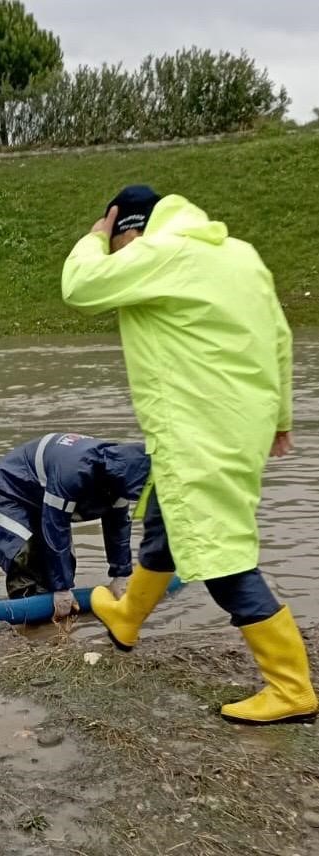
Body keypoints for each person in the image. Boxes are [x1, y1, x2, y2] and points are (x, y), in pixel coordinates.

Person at [61, 184, 317, 725]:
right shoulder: (239, 254)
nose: (119, 257)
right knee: (168, 520)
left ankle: (290, 687)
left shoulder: (160, 251)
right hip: (241, 422)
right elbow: (279, 335)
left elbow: (79, 286)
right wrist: (282, 420)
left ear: (132, 228)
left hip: (199, 428)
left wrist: (95, 235)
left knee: (219, 554)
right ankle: (127, 616)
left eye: (120, 241)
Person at [0, 433, 150, 620]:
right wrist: (62, 589)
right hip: (4, 493)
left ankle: (48, 623)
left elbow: (118, 528)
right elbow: (56, 528)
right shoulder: (73, 472)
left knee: (61, 564)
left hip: (39, 498)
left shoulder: (119, 479)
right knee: (26, 556)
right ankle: (27, 618)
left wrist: (121, 576)